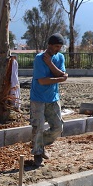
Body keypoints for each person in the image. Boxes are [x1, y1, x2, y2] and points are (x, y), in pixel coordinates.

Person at [30, 33, 69, 167]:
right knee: (38, 126)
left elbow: (61, 73)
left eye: (60, 47)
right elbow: (42, 81)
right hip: (38, 99)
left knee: (58, 127)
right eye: (56, 46)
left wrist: (50, 64)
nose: (58, 49)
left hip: (53, 98)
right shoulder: (39, 59)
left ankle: (40, 144)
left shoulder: (60, 57)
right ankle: (37, 153)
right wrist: (60, 78)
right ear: (49, 45)